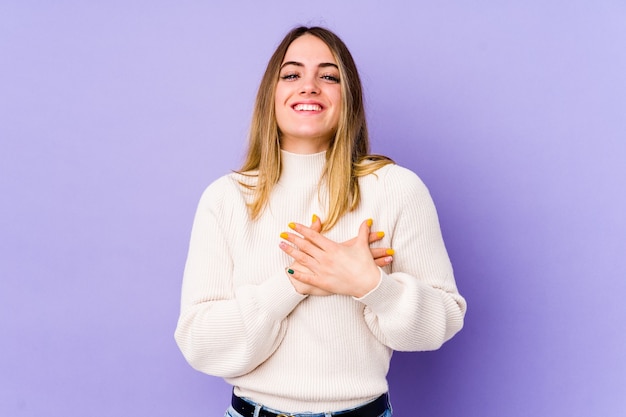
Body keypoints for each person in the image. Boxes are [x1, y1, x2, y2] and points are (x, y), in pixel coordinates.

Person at [175, 26, 467, 417]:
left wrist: (369, 284)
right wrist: (297, 279)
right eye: (292, 74)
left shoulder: (396, 188)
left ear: (348, 98)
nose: (309, 86)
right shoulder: (226, 197)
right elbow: (201, 344)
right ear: (271, 96)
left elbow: (440, 323)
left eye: (328, 76)